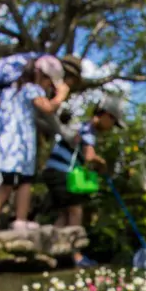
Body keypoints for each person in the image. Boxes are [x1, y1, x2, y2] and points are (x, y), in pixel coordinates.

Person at [0, 54, 83, 212]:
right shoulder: (34, 79)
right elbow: (47, 113)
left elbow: (29, 115)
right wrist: (61, 97)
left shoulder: (30, 74)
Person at [0, 55, 70, 231]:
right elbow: (48, 108)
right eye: (48, 83)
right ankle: (20, 220)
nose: (47, 88)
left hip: (6, 145)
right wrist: (61, 96)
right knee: (25, 181)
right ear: (41, 76)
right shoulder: (31, 90)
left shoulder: (11, 89)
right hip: (18, 146)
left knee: (7, 183)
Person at [40, 95, 125, 267]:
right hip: (62, 171)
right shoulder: (87, 129)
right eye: (113, 122)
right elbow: (89, 155)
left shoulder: (82, 127)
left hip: (53, 170)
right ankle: (75, 254)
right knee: (76, 210)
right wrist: (102, 163)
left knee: (65, 213)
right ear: (106, 115)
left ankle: (50, 249)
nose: (111, 128)